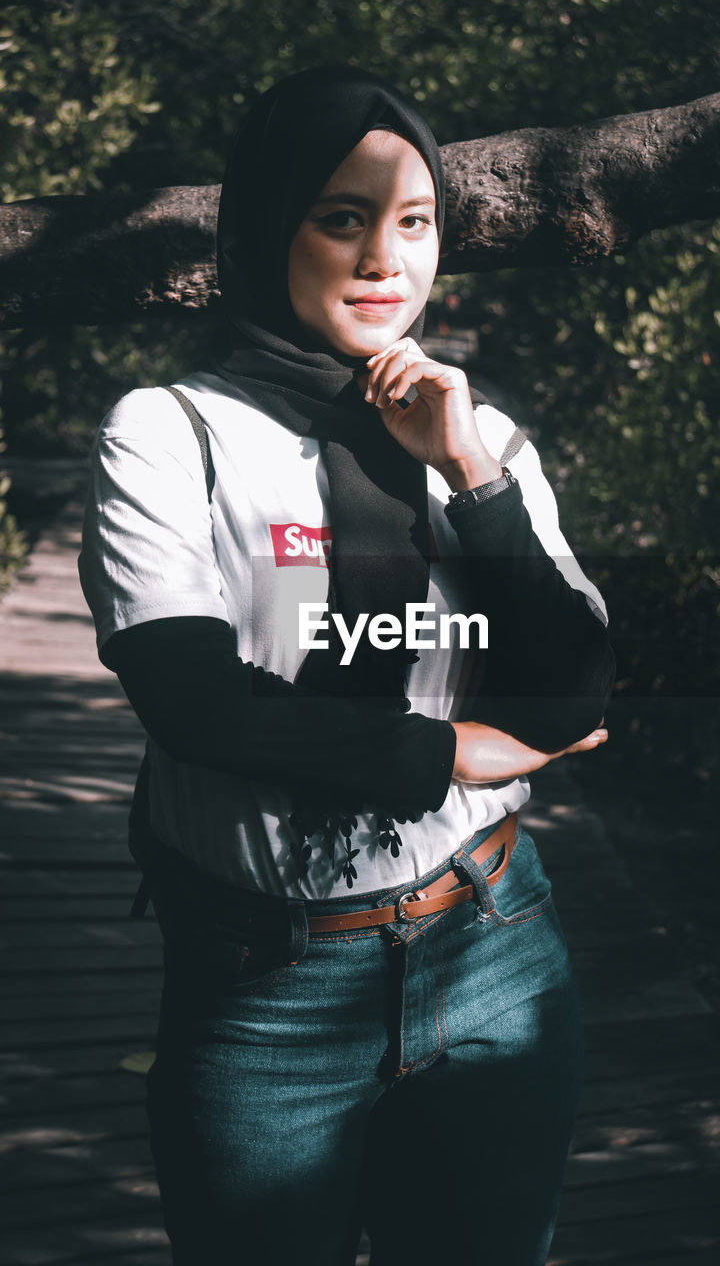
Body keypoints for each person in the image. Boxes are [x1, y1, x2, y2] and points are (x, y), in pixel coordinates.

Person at [79, 67, 614, 1266]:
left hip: (494, 946)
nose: (387, 258)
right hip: (264, 984)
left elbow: (575, 689)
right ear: (270, 225)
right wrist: (447, 751)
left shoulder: (484, 437)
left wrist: (469, 473)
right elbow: (193, 699)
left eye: (415, 222)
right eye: (342, 217)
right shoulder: (172, 433)